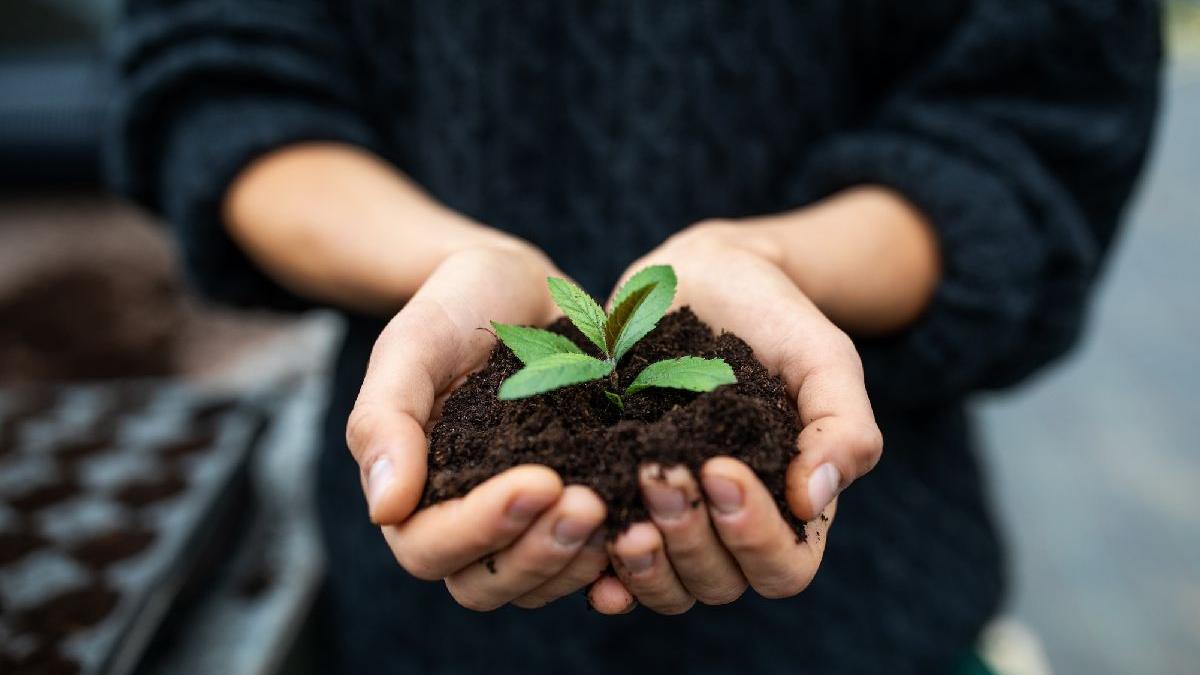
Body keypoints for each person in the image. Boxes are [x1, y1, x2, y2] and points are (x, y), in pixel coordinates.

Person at [107, 2, 1160, 673]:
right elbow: (220, 77)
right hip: (414, 635)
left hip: (872, 615)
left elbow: (1032, 115)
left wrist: (782, 265)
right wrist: (438, 266)